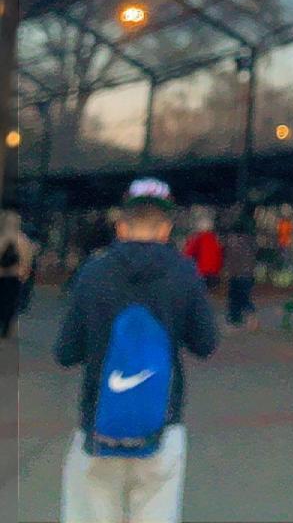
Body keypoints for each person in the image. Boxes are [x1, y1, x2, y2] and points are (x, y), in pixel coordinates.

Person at [54, 178, 217, 523]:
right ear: (166, 229)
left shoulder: (93, 272)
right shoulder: (184, 273)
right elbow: (205, 344)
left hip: (97, 427)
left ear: (121, 227)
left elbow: (65, 353)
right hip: (162, 425)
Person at [225, 215, 259, 329]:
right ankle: (247, 317)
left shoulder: (234, 241)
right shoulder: (250, 241)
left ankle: (236, 319)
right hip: (247, 274)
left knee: (235, 298)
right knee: (244, 297)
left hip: (236, 274)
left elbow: (231, 258)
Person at [0, 210, 29, 341]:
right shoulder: (3, 239)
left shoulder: (22, 241)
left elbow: (25, 264)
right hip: (8, 278)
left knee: (8, 306)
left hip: (11, 280)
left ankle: (5, 329)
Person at [183, 211, 224, 292]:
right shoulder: (215, 239)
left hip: (201, 271)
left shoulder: (198, 238)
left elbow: (188, 253)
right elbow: (220, 255)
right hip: (213, 271)